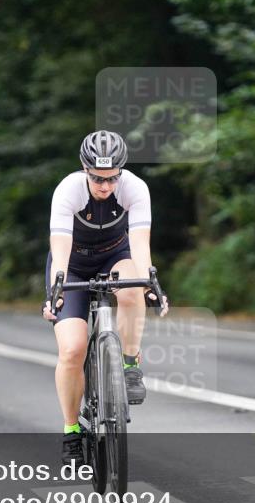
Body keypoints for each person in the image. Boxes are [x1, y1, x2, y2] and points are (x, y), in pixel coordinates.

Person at [43, 130, 168, 465]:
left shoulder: (135, 188)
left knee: (131, 287)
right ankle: (72, 431)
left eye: (112, 178)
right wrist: (57, 288)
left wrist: (148, 284)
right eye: (98, 178)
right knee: (72, 349)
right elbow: (61, 246)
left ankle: (128, 365)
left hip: (116, 255)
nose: (105, 186)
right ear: (85, 169)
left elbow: (141, 244)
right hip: (72, 264)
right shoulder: (68, 190)